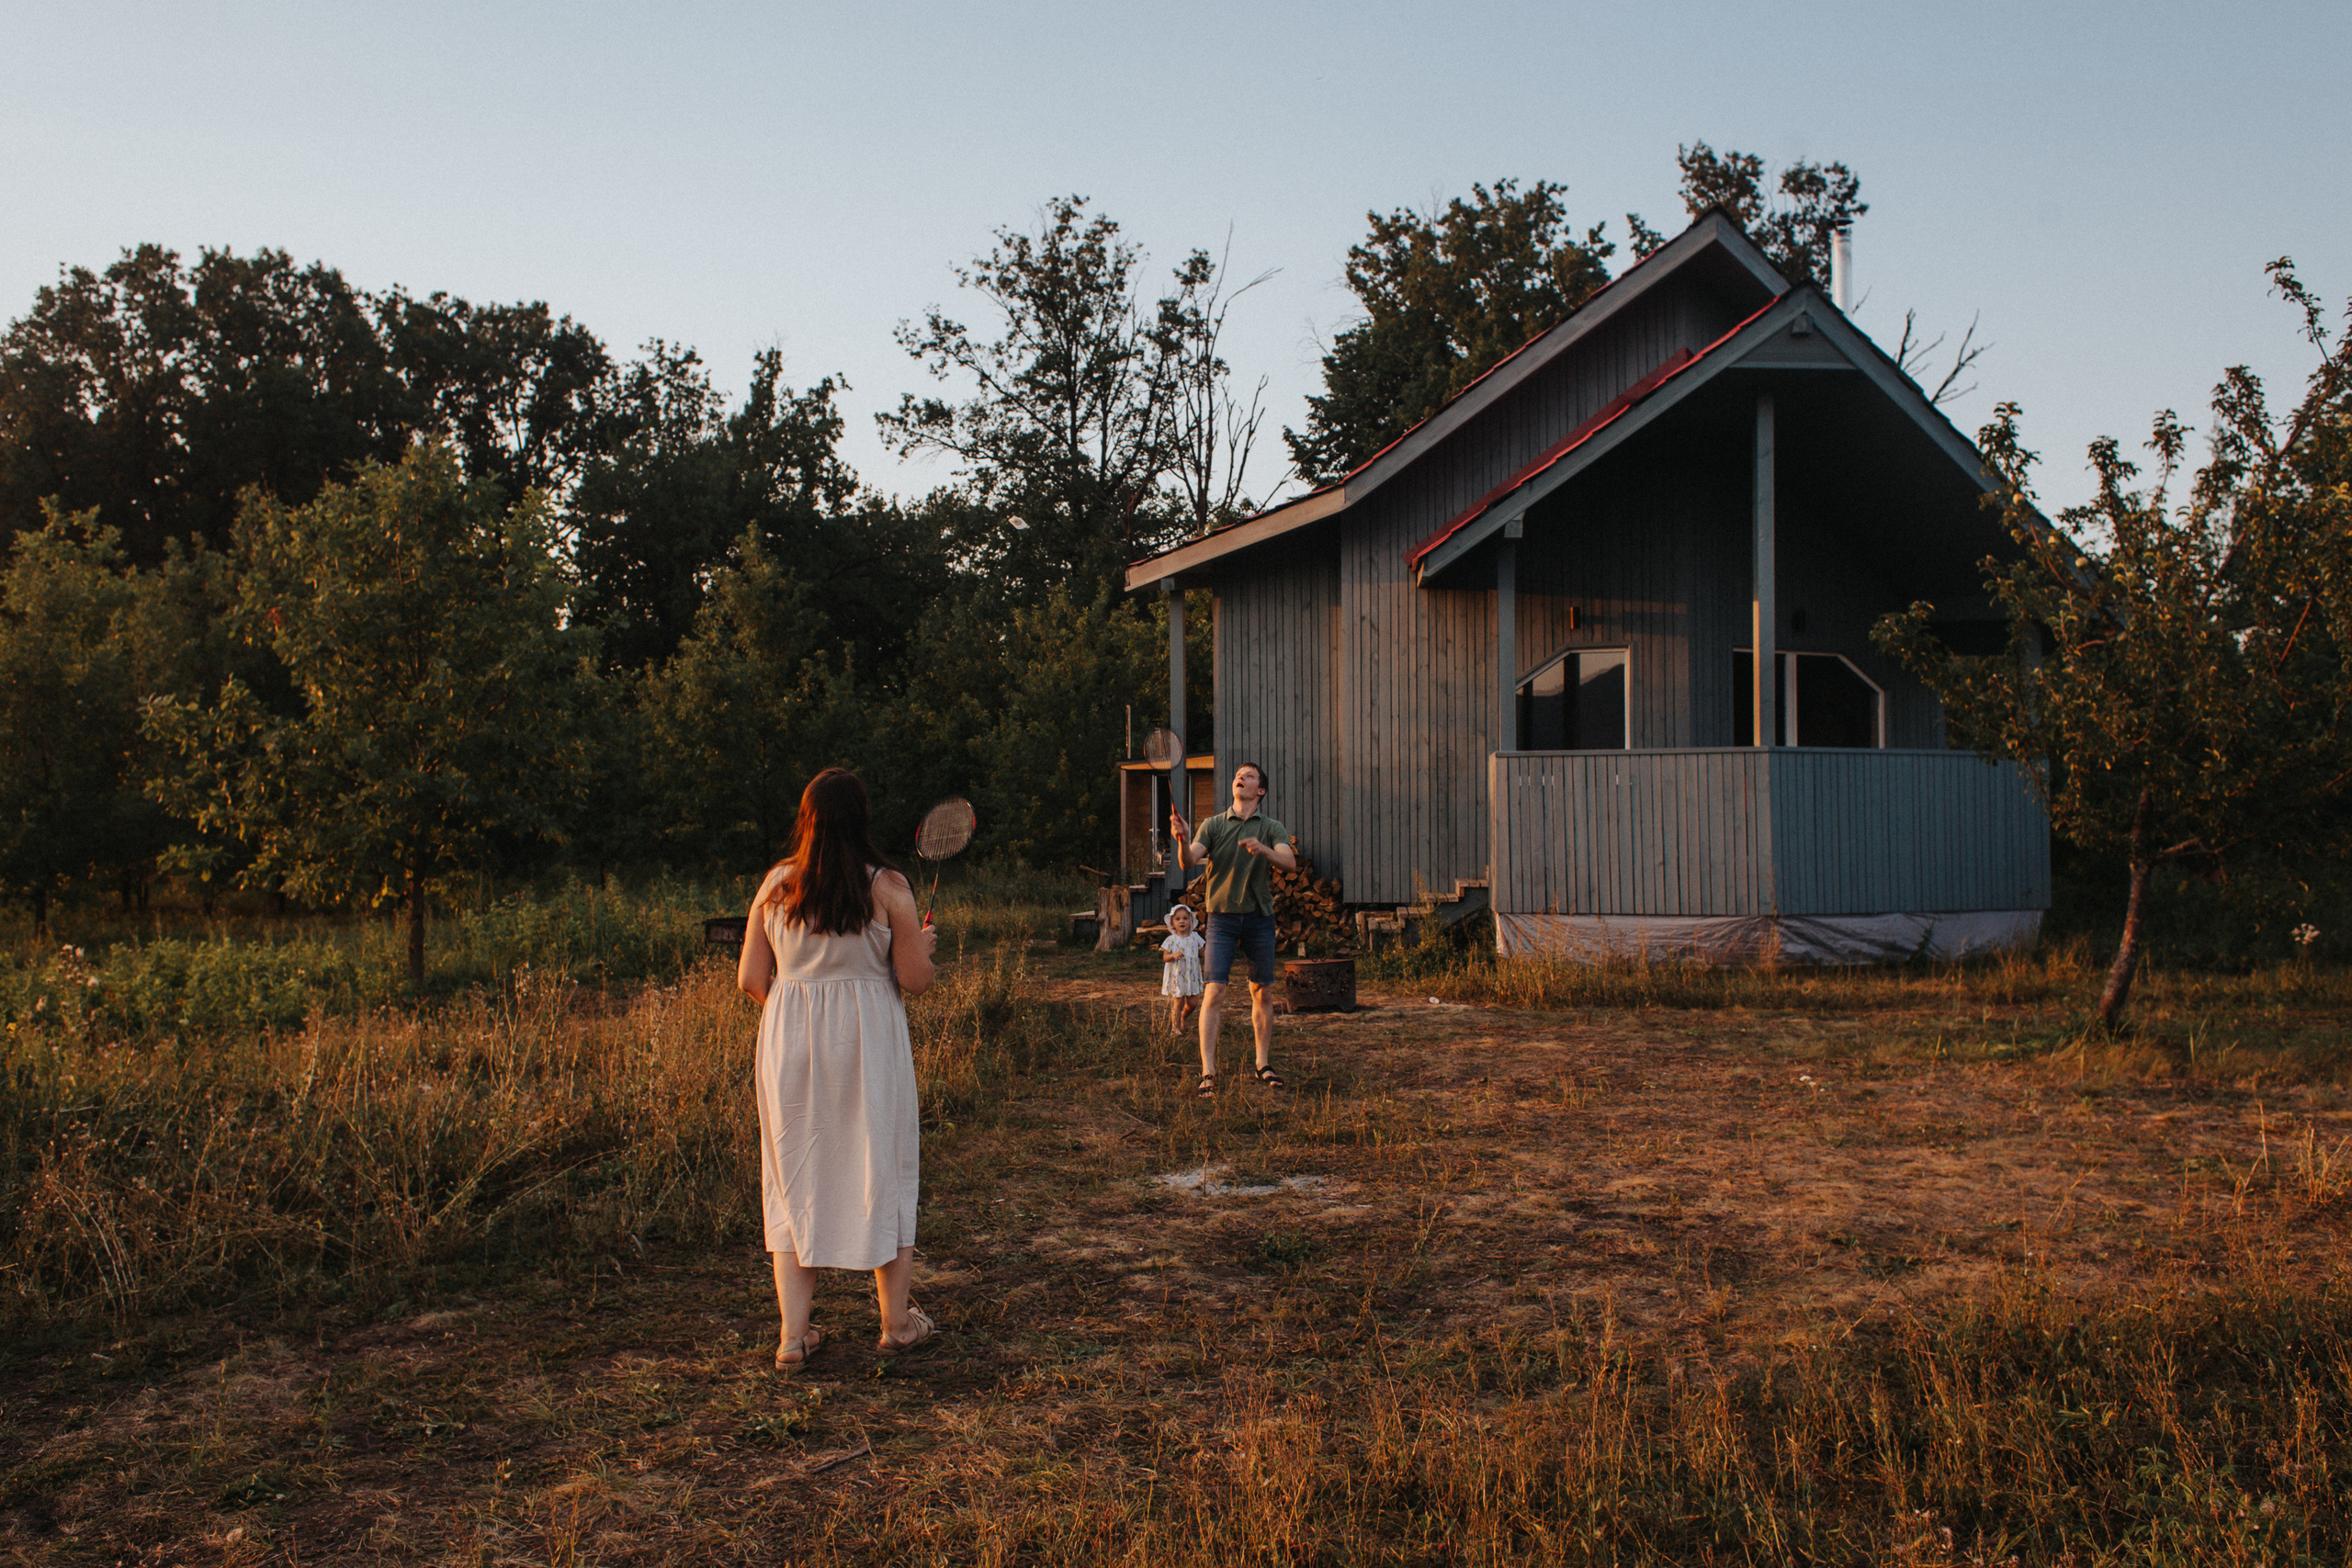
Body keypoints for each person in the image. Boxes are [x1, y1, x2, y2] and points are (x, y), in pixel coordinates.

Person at [738, 768, 939, 1371]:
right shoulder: (888, 885)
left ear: (806, 820)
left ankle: (792, 1337)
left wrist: (798, 1009)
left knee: (793, 1174)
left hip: (788, 1042)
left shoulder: (776, 884)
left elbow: (751, 979)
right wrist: (923, 947)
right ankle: (895, 1324)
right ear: (862, 818)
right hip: (867, 1042)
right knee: (884, 1164)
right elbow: (915, 980)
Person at [1170, 761, 1296, 1097]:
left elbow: (1290, 862)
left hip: (1259, 918)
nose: (1240, 778)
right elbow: (1187, 861)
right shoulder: (1213, 824)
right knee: (1214, 992)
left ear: (1260, 790)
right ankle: (1208, 1072)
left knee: (1262, 992)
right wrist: (1183, 839)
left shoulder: (1271, 827)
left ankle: (1262, 1064)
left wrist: (1263, 849)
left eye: (1249, 776)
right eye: (1239, 775)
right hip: (1221, 919)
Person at [1160, 902, 1205, 1035]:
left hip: (1192, 976)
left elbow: (1203, 953)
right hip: (1178, 976)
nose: (1182, 921)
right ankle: (1175, 1028)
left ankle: (1184, 1017)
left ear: (1191, 922)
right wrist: (1173, 955)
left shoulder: (1195, 937)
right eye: (1178, 919)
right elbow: (1165, 957)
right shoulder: (1171, 940)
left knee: (1193, 1003)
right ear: (1172, 923)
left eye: (1185, 918)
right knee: (1178, 1002)